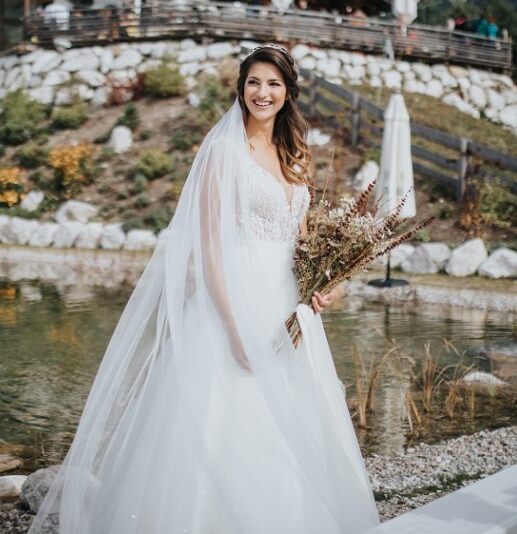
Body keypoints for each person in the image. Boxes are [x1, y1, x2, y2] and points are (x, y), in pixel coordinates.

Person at [31, 46, 382, 534]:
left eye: (274, 84)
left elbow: (303, 248)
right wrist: (233, 329)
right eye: (254, 82)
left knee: (291, 427)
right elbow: (211, 249)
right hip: (233, 305)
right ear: (241, 88)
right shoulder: (222, 151)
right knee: (225, 420)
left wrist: (327, 289)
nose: (263, 93)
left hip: (289, 310)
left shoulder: (295, 154)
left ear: (288, 93)